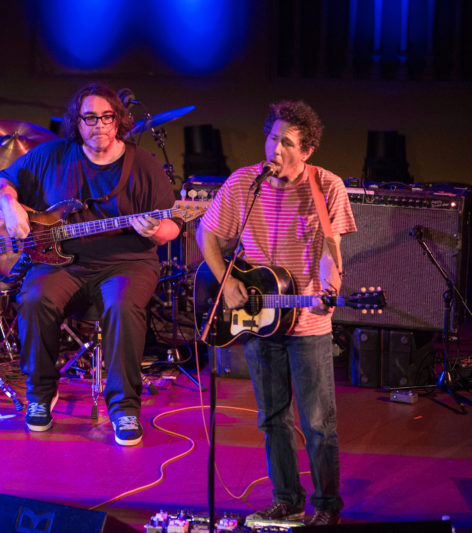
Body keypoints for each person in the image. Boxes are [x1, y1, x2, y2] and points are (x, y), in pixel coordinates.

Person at [0, 82, 181, 446]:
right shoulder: (53, 155)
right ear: (76, 122)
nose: (98, 125)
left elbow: (173, 225)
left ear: (118, 121)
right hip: (63, 265)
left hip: (127, 263)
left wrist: (156, 229)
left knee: (123, 305)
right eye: (89, 118)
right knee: (34, 298)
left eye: (106, 117)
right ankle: (41, 395)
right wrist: (10, 205)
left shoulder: (141, 163)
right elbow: (4, 180)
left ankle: (124, 408)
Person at [196, 101, 356, 525]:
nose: (276, 148)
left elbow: (330, 252)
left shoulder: (327, 186)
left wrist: (329, 288)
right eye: (272, 138)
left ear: (307, 150)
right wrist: (226, 281)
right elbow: (206, 232)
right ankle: (286, 498)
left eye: (287, 142)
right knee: (271, 419)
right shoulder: (244, 183)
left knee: (319, 423)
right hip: (258, 321)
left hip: (307, 321)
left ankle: (326, 507)